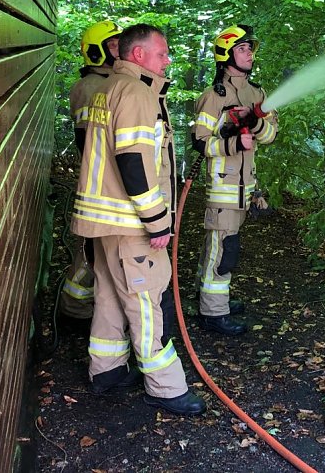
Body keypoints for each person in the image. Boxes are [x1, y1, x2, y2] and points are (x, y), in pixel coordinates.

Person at [71, 24, 206, 416]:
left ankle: (107, 371)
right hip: (130, 224)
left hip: (105, 223)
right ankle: (165, 387)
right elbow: (133, 162)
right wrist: (157, 221)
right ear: (139, 56)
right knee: (148, 303)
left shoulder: (109, 88)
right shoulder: (135, 93)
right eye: (162, 53)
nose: (168, 60)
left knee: (111, 297)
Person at [191, 24, 278, 335]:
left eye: (250, 48)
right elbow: (200, 142)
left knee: (219, 247)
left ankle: (210, 297)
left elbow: (271, 134)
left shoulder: (257, 94)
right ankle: (213, 313)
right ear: (226, 54)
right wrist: (231, 141)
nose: (249, 53)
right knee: (223, 249)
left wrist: (254, 123)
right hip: (223, 187)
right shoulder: (213, 97)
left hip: (246, 188)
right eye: (242, 48)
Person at [59, 20, 123, 324]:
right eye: (112, 45)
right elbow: (92, 142)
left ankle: (81, 306)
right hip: (100, 185)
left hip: (103, 183)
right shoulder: (91, 87)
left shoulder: (108, 82)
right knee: (91, 251)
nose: (119, 50)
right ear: (96, 52)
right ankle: (74, 309)